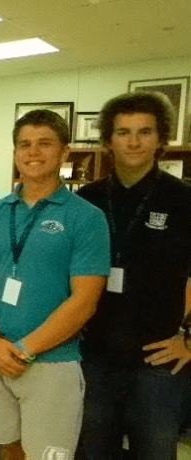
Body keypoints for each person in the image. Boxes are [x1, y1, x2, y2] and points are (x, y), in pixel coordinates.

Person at [0, 109, 110, 460]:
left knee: (47, 455)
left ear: (64, 152)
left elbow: (85, 301)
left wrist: (25, 349)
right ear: (15, 152)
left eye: (44, 144)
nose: (33, 152)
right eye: (24, 145)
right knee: (8, 446)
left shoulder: (86, 217)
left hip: (51, 361)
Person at [75, 92, 191, 460]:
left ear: (161, 138)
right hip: (93, 357)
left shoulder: (184, 200)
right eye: (123, 132)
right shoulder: (86, 199)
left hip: (157, 362)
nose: (134, 141)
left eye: (145, 131)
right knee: (92, 452)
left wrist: (189, 340)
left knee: (155, 452)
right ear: (108, 140)